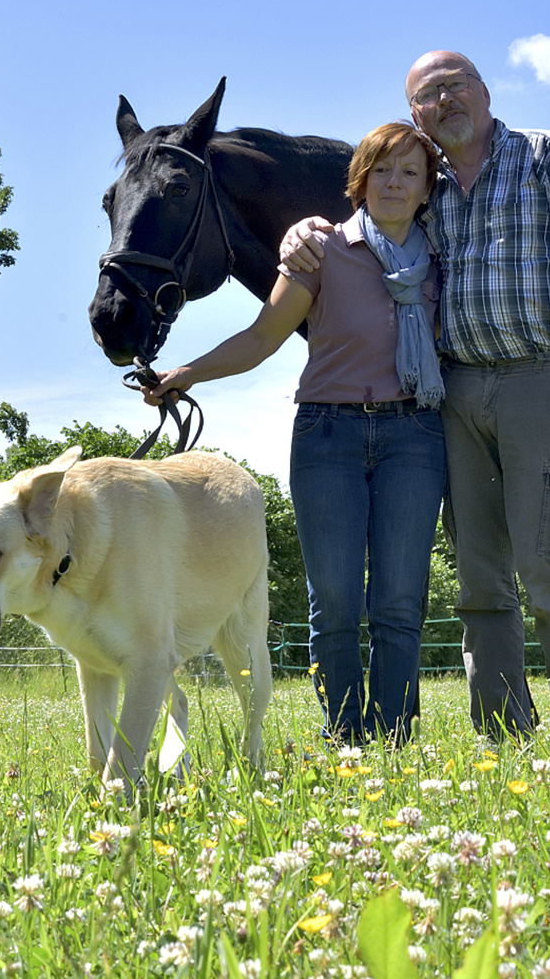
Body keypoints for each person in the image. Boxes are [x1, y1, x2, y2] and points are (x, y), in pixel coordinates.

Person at [282, 50, 550, 740]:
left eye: (455, 85)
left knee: (545, 559)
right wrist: (304, 229)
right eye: (427, 95)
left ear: (486, 92)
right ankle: (502, 729)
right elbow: (379, 229)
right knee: (479, 573)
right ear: (416, 114)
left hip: (539, 375)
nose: (445, 100)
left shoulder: (547, 157)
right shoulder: (429, 185)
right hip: (455, 390)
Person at [147, 122, 446, 745]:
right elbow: (261, 338)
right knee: (333, 602)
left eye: (410, 173)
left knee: (398, 603)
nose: (395, 182)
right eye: (382, 170)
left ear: (426, 190)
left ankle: (393, 740)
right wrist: (186, 374)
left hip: (415, 437)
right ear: (360, 180)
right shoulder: (322, 251)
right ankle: (345, 739)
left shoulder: (444, 258)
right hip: (327, 437)